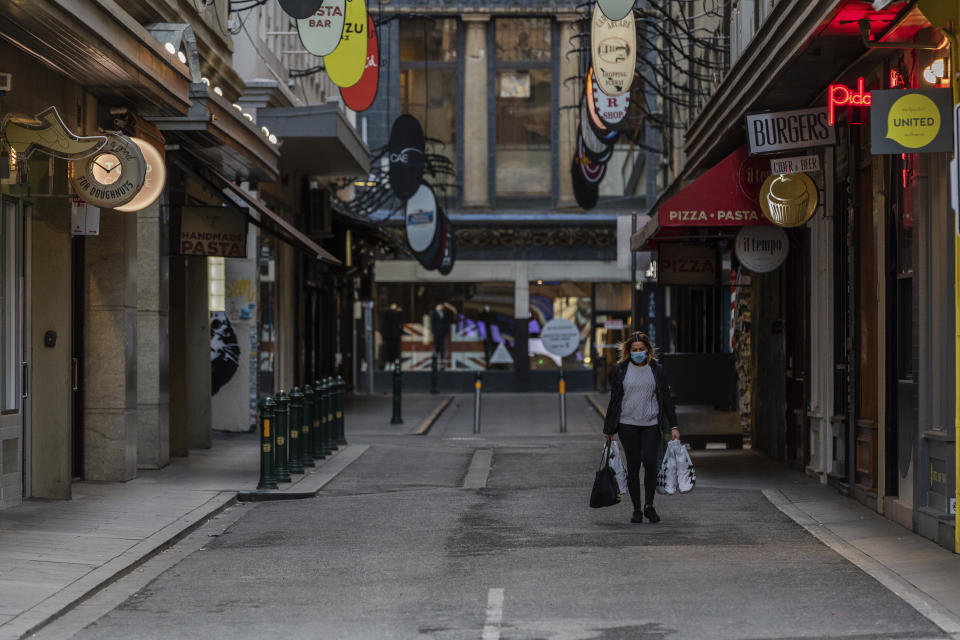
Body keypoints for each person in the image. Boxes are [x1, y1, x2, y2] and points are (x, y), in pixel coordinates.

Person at [603, 331, 679, 524]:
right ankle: (637, 508)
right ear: (629, 351)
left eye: (641, 350)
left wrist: (674, 426)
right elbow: (614, 401)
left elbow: (666, 399)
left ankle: (649, 506)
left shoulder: (657, 370)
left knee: (651, 462)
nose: (638, 353)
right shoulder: (621, 370)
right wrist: (609, 429)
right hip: (627, 424)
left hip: (651, 424)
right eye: (634, 350)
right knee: (634, 466)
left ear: (648, 350)